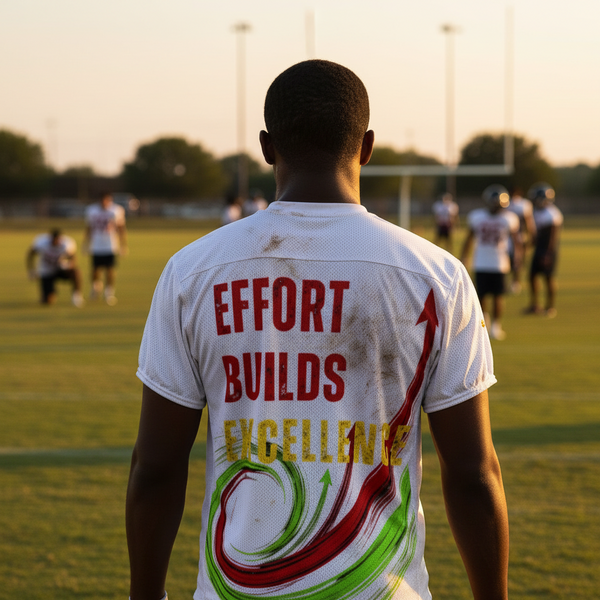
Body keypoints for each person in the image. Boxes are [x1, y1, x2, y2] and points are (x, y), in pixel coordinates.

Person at [127, 60, 508, 600]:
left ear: (266, 146)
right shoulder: (434, 275)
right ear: (367, 146)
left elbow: (156, 466)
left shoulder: (194, 271)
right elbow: (473, 473)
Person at [461, 184, 521, 340]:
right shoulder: (478, 217)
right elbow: (469, 238)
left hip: (499, 263)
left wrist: (517, 260)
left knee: (497, 296)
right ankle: (483, 324)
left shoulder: (509, 218)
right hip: (481, 261)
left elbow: (516, 243)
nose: (496, 207)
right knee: (481, 297)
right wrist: (464, 257)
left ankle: (496, 326)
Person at [524, 182, 563, 317]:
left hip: (548, 250)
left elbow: (551, 237)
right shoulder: (536, 212)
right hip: (539, 248)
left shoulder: (552, 214)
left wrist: (547, 254)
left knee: (548, 277)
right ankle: (535, 305)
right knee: (532, 276)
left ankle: (550, 307)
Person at [83, 191, 127, 305]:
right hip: (96, 245)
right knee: (95, 270)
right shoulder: (91, 210)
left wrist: (123, 245)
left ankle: (109, 293)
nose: (104, 203)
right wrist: (85, 244)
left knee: (110, 270)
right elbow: (89, 228)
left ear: (110, 200)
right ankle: (96, 287)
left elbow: (121, 228)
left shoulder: (116, 210)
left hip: (110, 245)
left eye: (106, 200)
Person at [26, 228, 84, 307]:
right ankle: (51, 292)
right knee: (48, 301)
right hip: (47, 271)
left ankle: (76, 296)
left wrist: (70, 265)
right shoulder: (42, 243)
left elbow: (73, 257)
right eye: (54, 240)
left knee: (76, 272)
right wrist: (31, 270)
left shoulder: (66, 243)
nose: (56, 242)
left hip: (61, 269)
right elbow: (30, 254)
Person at [506, 186, 536, 294]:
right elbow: (529, 222)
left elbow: (527, 221)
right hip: (518, 236)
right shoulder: (523, 204)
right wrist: (531, 235)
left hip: (511, 237)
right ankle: (515, 282)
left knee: (514, 259)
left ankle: (514, 282)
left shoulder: (509, 203)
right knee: (516, 260)